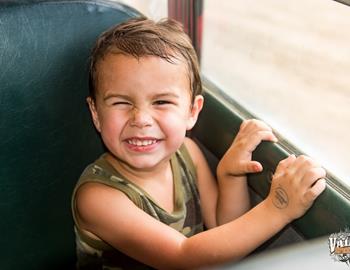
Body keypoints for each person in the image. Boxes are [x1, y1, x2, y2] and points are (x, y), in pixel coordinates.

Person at [71, 17, 326, 270]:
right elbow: (183, 257)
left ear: (193, 111)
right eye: (122, 102)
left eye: (161, 102)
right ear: (96, 113)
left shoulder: (188, 153)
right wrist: (278, 208)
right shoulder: (97, 198)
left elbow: (223, 228)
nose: (141, 119)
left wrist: (230, 175)